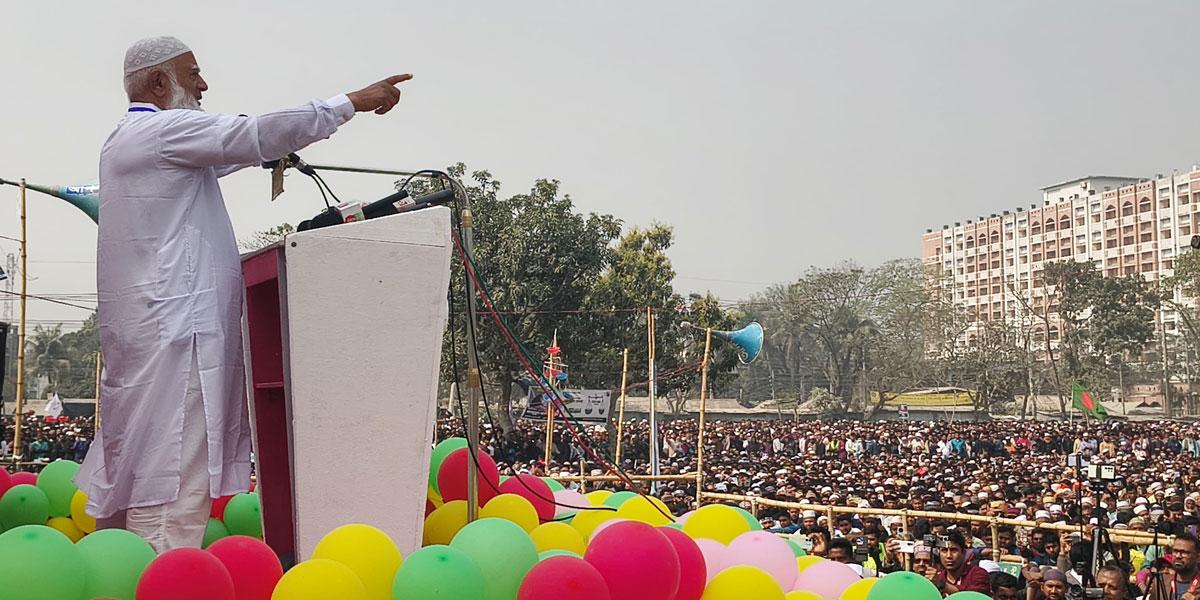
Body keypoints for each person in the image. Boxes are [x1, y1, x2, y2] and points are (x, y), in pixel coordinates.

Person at [74, 35, 412, 552]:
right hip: (179, 339)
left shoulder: (134, 140)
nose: (204, 84)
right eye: (193, 73)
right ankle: (159, 579)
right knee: (170, 490)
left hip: (157, 338)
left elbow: (236, 150)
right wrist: (352, 103)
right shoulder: (160, 131)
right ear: (160, 82)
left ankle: (115, 575)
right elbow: (250, 134)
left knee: (138, 474)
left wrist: (277, 148)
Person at [924, 530, 991, 595]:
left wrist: (942, 585)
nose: (949, 556)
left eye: (954, 550)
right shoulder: (938, 576)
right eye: (944, 550)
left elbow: (971, 597)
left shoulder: (978, 574)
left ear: (963, 553)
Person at [1146, 532, 1200, 600]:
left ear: (1198, 557)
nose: (1178, 556)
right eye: (1175, 551)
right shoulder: (1160, 582)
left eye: (1184, 552)